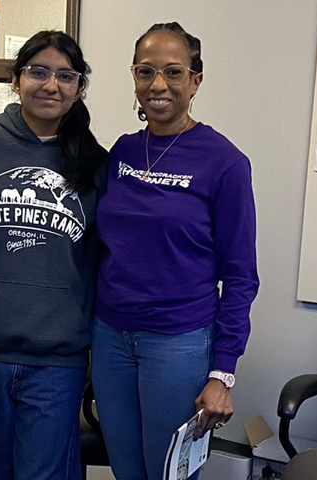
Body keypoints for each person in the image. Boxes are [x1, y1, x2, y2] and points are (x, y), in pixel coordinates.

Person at [0, 30, 108, 480]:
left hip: (57, 361)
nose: (51, 85)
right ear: (15, 79)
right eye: (39, 72)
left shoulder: (93, 163)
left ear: (78, 88)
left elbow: (98, 269)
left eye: (66, 76)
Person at [93, 22, 259, 480]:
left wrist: (221, 373)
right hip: (109, 338)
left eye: (173, 72)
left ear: (195, 81)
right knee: (125, 470)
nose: (158, 85)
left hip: (178, 342)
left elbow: (241, 275)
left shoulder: (224, 162)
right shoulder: (122, 153)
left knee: (168, 474)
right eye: (145, 72)